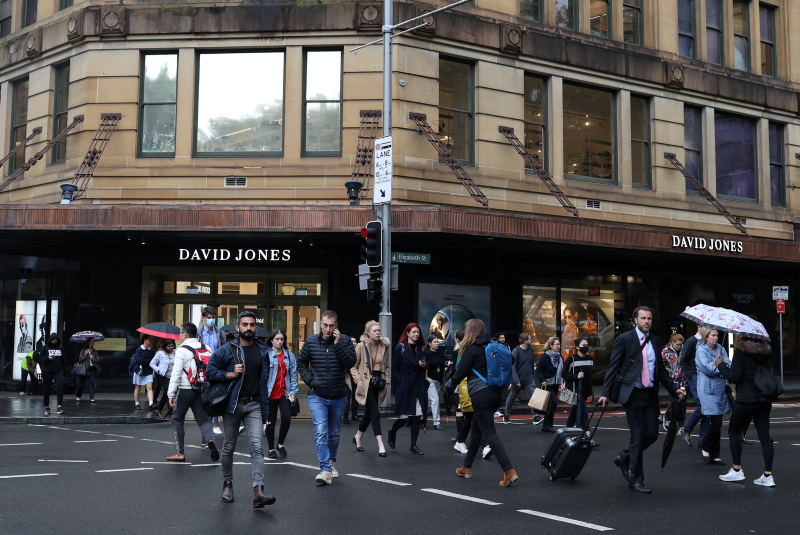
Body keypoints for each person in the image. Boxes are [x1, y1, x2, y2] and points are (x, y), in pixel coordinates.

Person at [598, 306, 685, 494]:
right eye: (643, 318)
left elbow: (661, 370)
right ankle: (636, 480)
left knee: (652, 434)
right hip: (633, 394)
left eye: (650, 319)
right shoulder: (624, 339)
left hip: (650, 395)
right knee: (637, 436)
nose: (647, 321)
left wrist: (674, 389)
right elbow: (613, 366)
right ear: (635, 320)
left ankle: (624, 457)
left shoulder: (655, 341)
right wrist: (604, 393)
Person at [206, 311, 275, 508]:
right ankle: (227, 483)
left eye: (252, 325)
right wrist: (229, 374)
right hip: (232, 405)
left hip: (254, 404)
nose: (248, 328)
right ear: (238, 328)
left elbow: (264, 383)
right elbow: (210, 372)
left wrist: (266, 410)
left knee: (257, 447)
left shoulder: (263, 351)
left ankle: (258, 491)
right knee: (229, 447)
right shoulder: (226, 350)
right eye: (244, 325)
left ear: (256, 328)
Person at [445, 318, 518, 486]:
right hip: (495, 394)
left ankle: (508, 470)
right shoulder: (494, 347)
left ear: (470, 331)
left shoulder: (472, 349)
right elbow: (511, 361)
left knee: (489, 432)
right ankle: (466, 467)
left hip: (480, 394)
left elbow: (460, 372)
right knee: (476, 430)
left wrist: (449, 385)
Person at [297, 310, 356, 485]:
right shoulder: (311, 341)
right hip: (317, 394)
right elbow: (301, 362)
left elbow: (351, 362)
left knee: (334, 433)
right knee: (321, 430)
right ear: (320, 324)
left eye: (331, 326)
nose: (328, 329)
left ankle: (331, 462)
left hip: (338, 395)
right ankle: (324, 469)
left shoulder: (344, 341)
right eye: (325, 325)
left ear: (336, 326)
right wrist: (310, 380)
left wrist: (338, 345)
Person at [718, 336, 776, 486]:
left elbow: (734, 377)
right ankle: (768, 475)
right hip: (763, 400)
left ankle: (737, 470)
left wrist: (721, 365)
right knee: (764, 436)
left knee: (734, 431)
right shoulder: (765, 354)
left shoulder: (740, 353)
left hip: (746, 400)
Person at [166, 322, 218, 463]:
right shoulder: (206, 348)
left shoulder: (181, 350)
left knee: (177, 419)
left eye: (180, 333)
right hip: (201, 390)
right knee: (203, 420)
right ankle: (210, 440)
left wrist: (171, 394)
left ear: (185, 334)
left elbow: (175, 374)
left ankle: (180, 453)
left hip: (184, 390)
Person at [351, 320, 391, 456]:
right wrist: (359, 381)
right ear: (368, 333)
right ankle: (381, 444)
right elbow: (353, 366)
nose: (378, 333)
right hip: (366, 384)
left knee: (369, 412)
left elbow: (386, 366)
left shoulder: (384, 346)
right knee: (375, 413)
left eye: (379, 331)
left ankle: (357, 437)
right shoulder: (361, 346)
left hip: (378, 383)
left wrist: (386, 380)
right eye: (375, 331)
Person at [388, 323, 427, 455]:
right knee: (404, 417)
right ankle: (392, 431)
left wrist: (423, 366)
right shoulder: (401, 348)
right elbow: (394, 368)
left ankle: (413, 445)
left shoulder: (421, 349)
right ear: (408, 333)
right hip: (405, 384)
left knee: (417, 415)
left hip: (417, 385)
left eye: (418, 332)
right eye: (414, 332)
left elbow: (422, 370)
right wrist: (399, 382)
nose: (416, 334)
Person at [694, 329, 730, 465]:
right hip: (707, 390)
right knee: (716, 422)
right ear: (706, 337)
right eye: (713, 335)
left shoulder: (721, 348)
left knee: (718, 422)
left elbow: (729, 364)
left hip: (720, 389)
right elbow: (707, 370)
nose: (716, 338)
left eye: (717, 336)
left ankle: (715, 455)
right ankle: (705, 445)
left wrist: (717, 364)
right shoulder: (701, 350)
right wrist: (720, 366)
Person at [265, 329, 298, 460]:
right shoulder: (266, 355)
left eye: (282, 339)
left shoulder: (289, 356)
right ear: (272, 340)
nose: (279, 342)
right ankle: (271, 448)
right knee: (270, 422)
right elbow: (263, 376)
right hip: (270, 393)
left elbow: (293, 375)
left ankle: (280, 444)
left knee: (286, 418)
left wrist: (293, 392)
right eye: (277, 339)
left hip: (284, 393)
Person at [504, 332, 544, 426]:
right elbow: (513, 366)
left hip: (528, 379)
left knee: (533, 396)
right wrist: (516, 380)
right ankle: (506, 415)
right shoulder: (516, 351)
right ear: (525, 341)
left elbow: (530, 364)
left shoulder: (530, 350)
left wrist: (532, 376)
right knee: (511, 398)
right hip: (518, 379)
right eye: (530, 339)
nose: (531, 340)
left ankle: (535, 416)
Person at [680, 325, 710, 447]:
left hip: (705, 377)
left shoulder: (706, 342)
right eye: (705, 326)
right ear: (699, 327)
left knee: (707, 409)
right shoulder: (691, 341)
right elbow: (683, 361)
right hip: (695, 377)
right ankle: (687, 429)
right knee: (703, 405)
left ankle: (702, 440)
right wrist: (690, 376)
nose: (708, 329)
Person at [198, 306, 227, 435]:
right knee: (205, 395)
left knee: (216, 394)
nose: (211, 320)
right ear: (203, 318)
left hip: (216, 367)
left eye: (213, 318)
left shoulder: (220, 333)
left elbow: (224, 350)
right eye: (209, 318)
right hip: (203, 367)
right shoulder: (199, 333)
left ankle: (216, 424)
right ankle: (206, 426)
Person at [562, 337, 594, 440]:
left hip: (586, 390)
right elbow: (564, 373)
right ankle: (587, 433)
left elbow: (590, 375)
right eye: (583, 345)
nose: (586, 347)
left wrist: (590, 391)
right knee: (584, 411)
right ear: (577, 347)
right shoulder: (572, 359)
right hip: (575, 390)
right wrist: (576, 377)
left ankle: (567, 430)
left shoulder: (590, 359)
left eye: (587, 345)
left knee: (575, 411)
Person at [535, 336, 563, 433]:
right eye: (556, 344)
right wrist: (542, 380)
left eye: (559, 344)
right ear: (551, 345)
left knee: (551, 405)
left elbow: (561, 371)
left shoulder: (559, 357)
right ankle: (548, 425)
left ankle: (547, 425)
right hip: (547, 384)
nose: (558, 346)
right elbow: (538, 371)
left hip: (555, 383)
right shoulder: (545, 357)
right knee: (553, 402)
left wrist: (562, 382)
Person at [34, 334, 66, 416]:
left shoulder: (60, 347)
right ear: (50, 340)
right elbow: (40, 359)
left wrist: (64, 371)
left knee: (59, 386)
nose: (54, 342)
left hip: (58, 370)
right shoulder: (45, 347)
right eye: (52, 341)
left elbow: (63, 360)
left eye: (55, 341)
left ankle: (59, 406)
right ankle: (47, 406)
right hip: (47, 370)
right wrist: (48, 358)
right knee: (46, 388)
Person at [661, 333, 685, 430]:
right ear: (672, 342)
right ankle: (667, 417)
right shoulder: (665, 352)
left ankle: (681, 425)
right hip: (672, 381)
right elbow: (662, 365)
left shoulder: (684, 350)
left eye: (680, 345)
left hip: (683, 380)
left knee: (682, 403)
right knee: (674, 401)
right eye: (677, 345)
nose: (679, 347)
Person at [149, 340, 176, 419]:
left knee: (166, 393)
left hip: (173, 376)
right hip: (163, 375)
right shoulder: (160, 353)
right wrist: (158, 370)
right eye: (169, 346)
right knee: (169, 392)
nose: (171, 348)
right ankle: (171, 414)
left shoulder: (176, 352)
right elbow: (152, 363)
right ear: (165, 347)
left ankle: (159, 409)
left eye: (172, 346)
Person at [424, 336, 446, 430]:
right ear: (429, 343)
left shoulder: (440, 353)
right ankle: (436, 422)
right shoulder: (427, 354)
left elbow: (441, 367)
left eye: (438, 342)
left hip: (437, 380)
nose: (437, 344)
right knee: (435, 400)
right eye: (435, 342)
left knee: (430, 402)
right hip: (429, 380)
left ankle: (420, 417)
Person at [131, 335, 155, 411]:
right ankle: (137, 403)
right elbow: (139, 360)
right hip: (139, 371)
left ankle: (151, 403)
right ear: (144, 340)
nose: (150, 340)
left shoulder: (151, 351)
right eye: (148, 339)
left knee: (149, 387)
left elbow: (152, 360)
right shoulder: (139, 350)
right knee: (138, 387)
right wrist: (148, 361)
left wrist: (146, 361)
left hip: (148, 371)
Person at [75, 337, 102, 402]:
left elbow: (97, 359)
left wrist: (93, 358)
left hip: (92, 368)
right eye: (92, 341)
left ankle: (92, 397)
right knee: (82, 383)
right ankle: (78, 396)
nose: (94, 342)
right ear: (89, 342)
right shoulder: (83, 350)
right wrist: (85, 354)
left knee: (91, 382)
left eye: (94, 341)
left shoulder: (94, 351)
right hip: (85, 368)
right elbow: (80, 359)